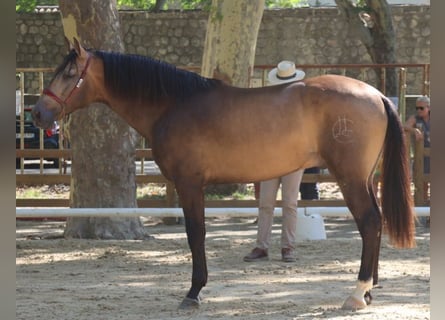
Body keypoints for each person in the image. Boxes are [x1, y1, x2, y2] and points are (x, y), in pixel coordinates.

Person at [244, 61, 305, 263]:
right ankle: (265, 246)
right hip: (272, 158)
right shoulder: (268, 103)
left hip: (291, 157)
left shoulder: (299, 105)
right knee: (267, 203)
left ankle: (286, 247)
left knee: (289, 203)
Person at [404, 95, 430, 203]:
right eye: (417, 108)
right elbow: (404, 126)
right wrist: (414, 130)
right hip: (421, 158)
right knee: (422, 184)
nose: (419, 110)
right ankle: (423, 209)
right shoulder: (415, 118)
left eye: (421, 108)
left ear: (429, 107)